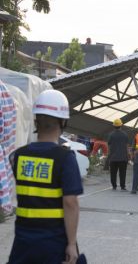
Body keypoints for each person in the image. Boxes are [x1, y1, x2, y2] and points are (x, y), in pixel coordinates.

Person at [8, 89, 83, 264]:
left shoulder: (18, 156)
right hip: (53, 241)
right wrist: (71, 244)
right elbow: (70, 203)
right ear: (63, 121)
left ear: (36, 120)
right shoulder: (65, 158)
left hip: (23, 240)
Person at [107, 118, 129, 191]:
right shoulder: (125, 135)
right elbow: (126, 146)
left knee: (113, 173)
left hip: (113, 158)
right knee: (122, 173)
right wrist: (128, 155)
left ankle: (114, 186)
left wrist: (109, 155)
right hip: (123, 157)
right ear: (121, 125)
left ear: (114, 126)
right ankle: (122, 186)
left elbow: (109, 146)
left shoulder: (111, 135)